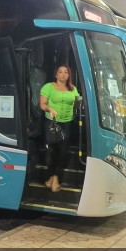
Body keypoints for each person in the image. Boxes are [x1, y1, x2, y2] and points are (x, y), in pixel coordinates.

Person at [39, 64, 79, 192]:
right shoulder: (48, 87)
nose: (63, 74)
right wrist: (50, 108)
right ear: (56, 75)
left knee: (62, 151)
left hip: (67, 123)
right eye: (60, 72)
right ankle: (50, 176)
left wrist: (78, 103)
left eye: (66, 72)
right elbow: (42, 104)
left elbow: (77, 104)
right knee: (51, 151)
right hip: (52, 123)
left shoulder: (73, 89)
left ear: (69, 75)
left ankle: (55, 177)